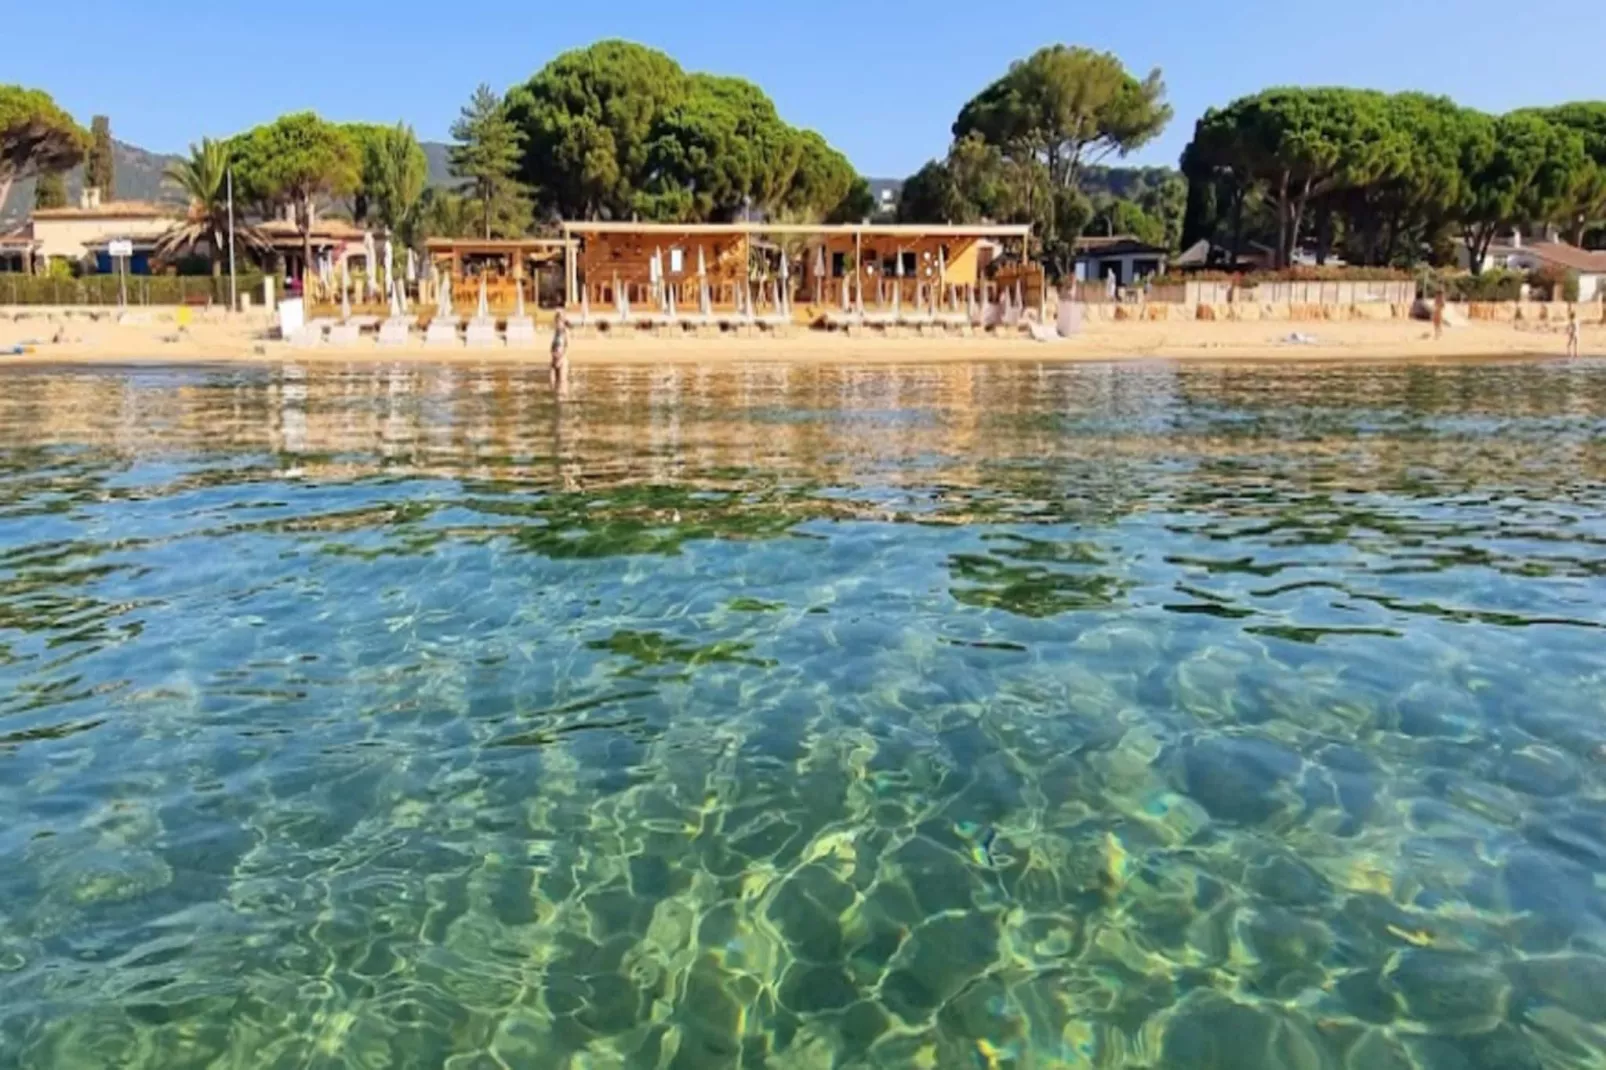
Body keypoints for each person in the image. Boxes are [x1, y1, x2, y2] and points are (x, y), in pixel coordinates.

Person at [550, 310, 569, 387]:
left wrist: (561, 358)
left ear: (563, 321)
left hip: (562, 360)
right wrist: (553, 354)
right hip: (554, 359)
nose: (557, 323)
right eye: (556, 320)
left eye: (559, 320)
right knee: (552, 383)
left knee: (562, 383)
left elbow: (567, 346)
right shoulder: (556, 332)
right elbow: (552, 346)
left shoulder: (565, 332)